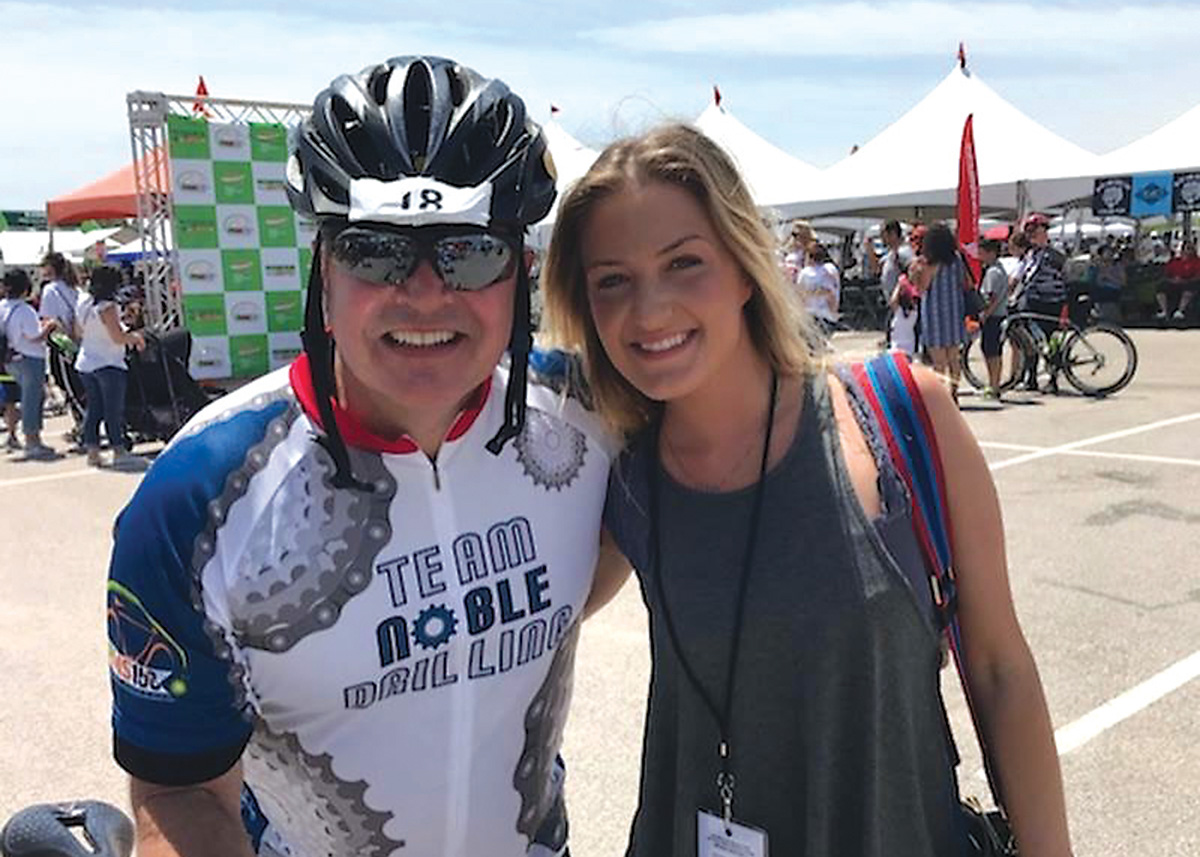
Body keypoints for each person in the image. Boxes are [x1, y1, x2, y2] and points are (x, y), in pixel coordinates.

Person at [106, 56, 624, 857]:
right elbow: (179, 791)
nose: (423, 293)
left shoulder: (594, 417)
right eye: (377, 251)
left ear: (520, 273)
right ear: (325, 270)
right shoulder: (198, 496)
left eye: (469, 252)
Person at [541, 122, 1073, 857]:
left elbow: (1000, 669)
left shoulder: (900, 414)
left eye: (684, 262)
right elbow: (523, 625)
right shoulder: (621, 471)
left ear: (744, 267)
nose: (650, 309)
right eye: (612, 280)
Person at [75, 265, 145, 467]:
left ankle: (93, 452)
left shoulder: (83, 302)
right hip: (108, 362)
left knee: (94, 409)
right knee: (113, 411)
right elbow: (117, 337)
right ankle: (119, 450)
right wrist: (136, 338)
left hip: (86, 361)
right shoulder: (108, 306)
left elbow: (78, 331)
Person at [1, 268, 58, 458]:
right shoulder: (25, 310)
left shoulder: (2, 307)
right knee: (32, 399)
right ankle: (32, 440)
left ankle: (27, 437)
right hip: (29, 357)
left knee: (27, 398)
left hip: (9, 358)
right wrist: (49, 327)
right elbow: (34, 336)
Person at [909, 222, 969, 400]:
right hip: (954, 311)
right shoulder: (956, 259)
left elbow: (921, 288)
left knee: (939, 361)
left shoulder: (930, 263)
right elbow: (963, 282)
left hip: (935, 314)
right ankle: (954, 392)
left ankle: (942, 396)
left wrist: (915, 272)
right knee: (953, 358)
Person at [978, 238, 1010, 399]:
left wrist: (985, 314)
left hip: (994, 316)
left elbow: (992, 298)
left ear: (991, 253)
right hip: (998, 315)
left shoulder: (993, 272)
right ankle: (993, 384)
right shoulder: (998, 269)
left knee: (992, 352)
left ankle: (994, 385)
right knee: (992, 350)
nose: (980, 256)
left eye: (982, 253)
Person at [795, 243, 841, 342]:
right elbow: (832, 294)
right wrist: (833, 312)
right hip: (827, 316)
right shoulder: (830, 270)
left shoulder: (805, 273)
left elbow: (800, 293)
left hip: (811, 315)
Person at [1158, 240, 1198, 323]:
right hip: (1173, 283)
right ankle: (1164, 311)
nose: (1190, 250)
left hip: (1188, 282)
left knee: (1190, 287)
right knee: (1162, 287)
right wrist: (1172, 280)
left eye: (1191, 248)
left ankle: (1180, 311)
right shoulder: (1175, 261)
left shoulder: (1197, 262)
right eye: (1188, 248)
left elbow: (1197, 276)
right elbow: (1166, 274)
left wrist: (1185, 280)